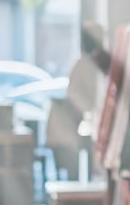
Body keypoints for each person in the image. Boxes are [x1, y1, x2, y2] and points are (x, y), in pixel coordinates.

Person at [47, 22, 110, 180]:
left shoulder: (93, 63)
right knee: (72, 174)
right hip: (69, 127)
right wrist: (91, 110)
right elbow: (74, 92)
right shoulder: (84, 63)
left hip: (78, 124)